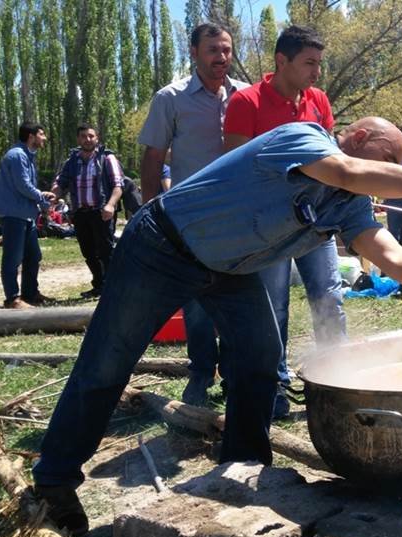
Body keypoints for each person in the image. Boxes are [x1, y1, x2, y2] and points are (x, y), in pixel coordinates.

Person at [30, 118, 402, 537]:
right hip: (161, 246)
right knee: (107, 364)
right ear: (357, 137)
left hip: (230, 270)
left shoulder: (350, 205)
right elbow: (348, 171)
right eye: (389, 160)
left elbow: (395, 258)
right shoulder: (300, 138)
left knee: (259, 360)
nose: (390, 177)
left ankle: (243, 462)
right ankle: (54, 481)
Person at [223, 25, 345, 419]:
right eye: (309, 63)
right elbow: (237, 170)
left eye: (319, 64)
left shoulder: (318, 101)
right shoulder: (246, 102)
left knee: (329, 296)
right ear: (282, 61)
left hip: (316, 222)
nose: (316, 72)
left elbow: (332, 159)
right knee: (273, 308)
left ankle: (339, 380)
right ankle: (275, 387)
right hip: (269, 226)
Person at [138, 22, 250, 405]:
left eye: (227, 50)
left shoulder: (244, 96)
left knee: (239, 294)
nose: (221, 58)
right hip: (192, 216)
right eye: (213, 50)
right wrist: (149, 213)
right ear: (194, 53)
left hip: (239, 215)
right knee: (197, 299)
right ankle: (201, 372)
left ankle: (236, 373)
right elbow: (153, 158)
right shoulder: (170, 98)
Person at [51, 124, 124, 298]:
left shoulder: (107, 158)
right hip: (81, 213)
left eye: (91, 136)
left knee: (106, 251)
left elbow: (118, 186)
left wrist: (111, 205)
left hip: (101, 212)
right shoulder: (72, 161)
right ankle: (99, 285)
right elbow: (61, 182)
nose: (88, 139)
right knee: (88, 252)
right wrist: (53, 195)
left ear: (97, 138)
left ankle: (113, 288)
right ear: (78, 139)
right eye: (83, 136)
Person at [0, 122, 56, 309]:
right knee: (12, 258)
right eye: (42, 134)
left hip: (25, 215)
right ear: (31, 136)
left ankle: (30, 293)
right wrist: (43, 198)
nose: (44, 138)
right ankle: (12, 299)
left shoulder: (26, 156)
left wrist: (42, 202)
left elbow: (25, 187)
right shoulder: (18, 156)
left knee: (33, 255)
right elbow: (23, 186)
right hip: (13, 215)